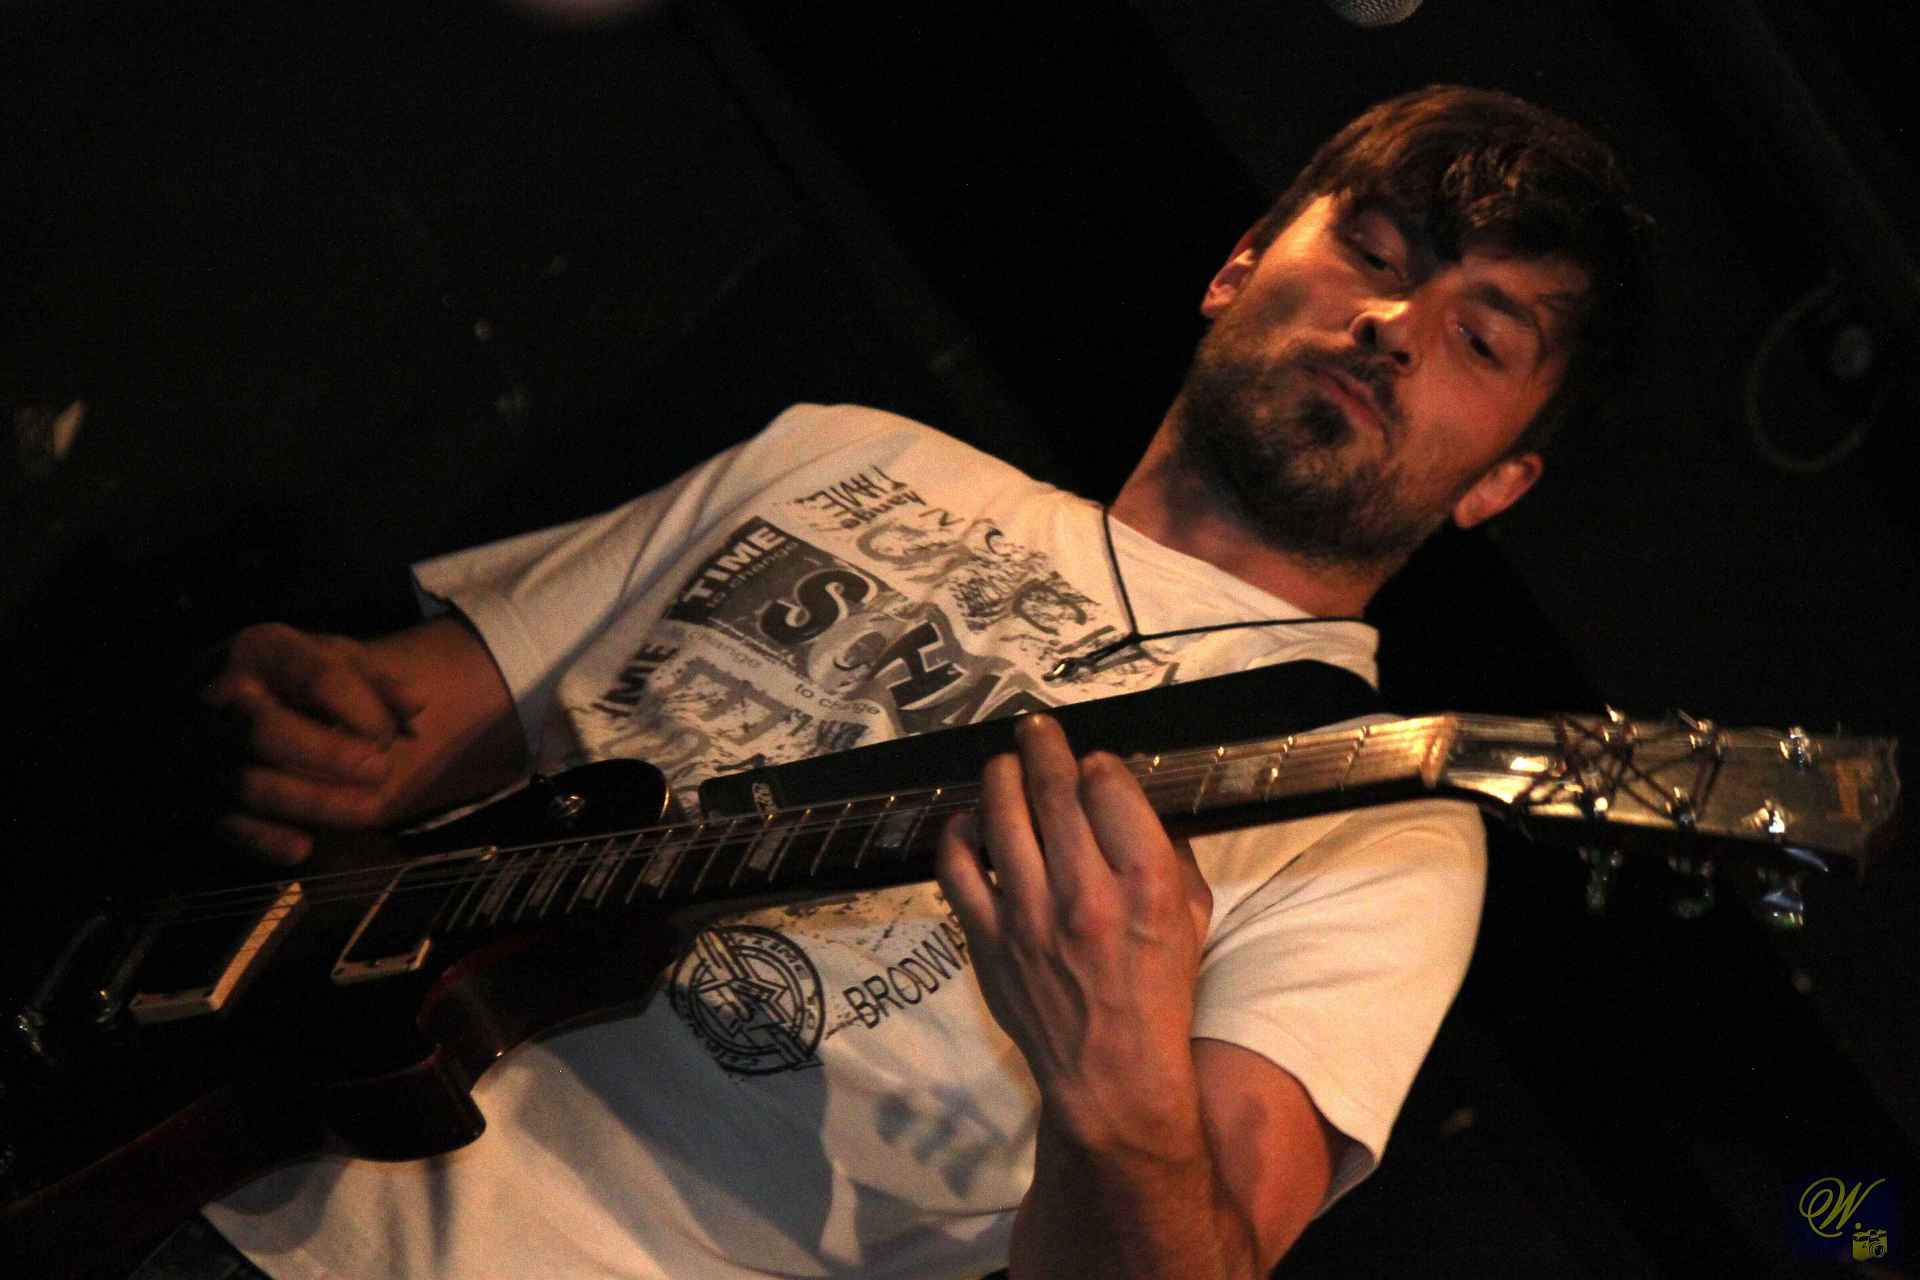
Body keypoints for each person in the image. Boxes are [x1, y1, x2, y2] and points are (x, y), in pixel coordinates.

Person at [179, 85, 1649, 1279]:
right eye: (1377, 256)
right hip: (198, 1166)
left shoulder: (1383, 820)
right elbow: (391, 741)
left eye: (1480, 339)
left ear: (1499, 484)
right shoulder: (847, 452)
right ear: (1240, 264)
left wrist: (1122, 1091)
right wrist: (297, 716)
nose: (1392, 327)